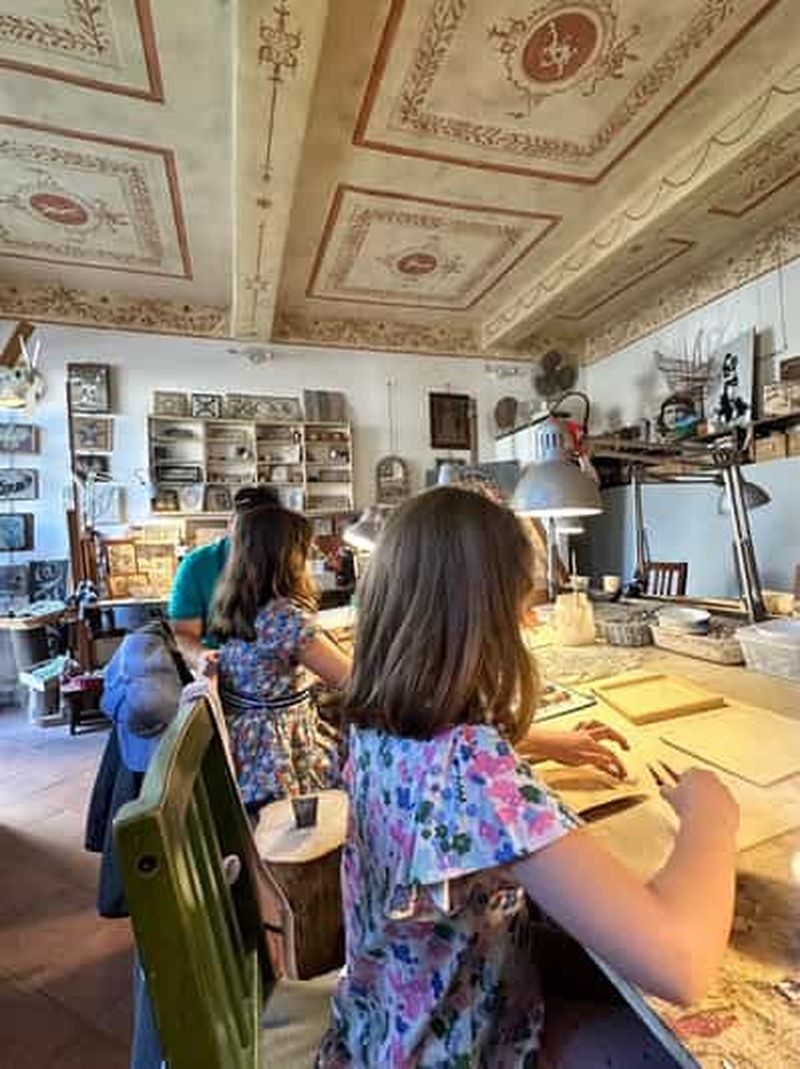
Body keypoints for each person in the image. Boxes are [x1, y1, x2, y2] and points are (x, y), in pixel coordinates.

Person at [318, 487, 738, 1069]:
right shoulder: (475, 772)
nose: (531, 619)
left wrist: (541, 742)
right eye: (522, 602)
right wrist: (712, 813)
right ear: (482, 616)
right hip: (462, 1047)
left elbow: (445, 769)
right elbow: (682, 964)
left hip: (382, 1025)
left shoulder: (376, 720)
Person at [210, 501, 351, 815]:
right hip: (278, 751)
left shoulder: (241, 606)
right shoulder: (284, 617)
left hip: (249, 738)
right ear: (286, 557)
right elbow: (350, 678)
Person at [168, 485, 281, 673]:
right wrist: (202, 656)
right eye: (246, 526)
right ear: (231, 524)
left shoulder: (283, 561)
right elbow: (183, 634)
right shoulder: (196, 565)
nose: (251, 537)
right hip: (220, 671)